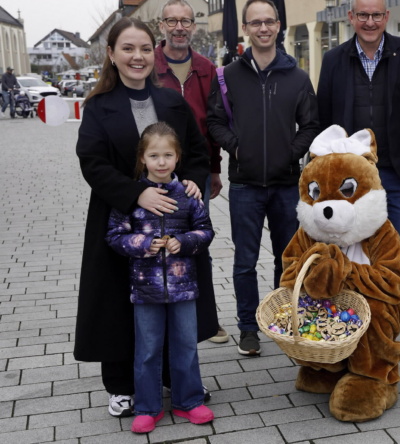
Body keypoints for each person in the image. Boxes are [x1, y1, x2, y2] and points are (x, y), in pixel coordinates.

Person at [74, 17, 218, 419]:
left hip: (172, 220)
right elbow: (93, 162)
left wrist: (190, 180)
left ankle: (179, 379)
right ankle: (121, 386)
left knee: (175, 297)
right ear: (112, 54)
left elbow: (195, 151)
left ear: (152, 54)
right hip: (121, 217)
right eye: (127, 49)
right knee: (119, 302)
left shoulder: (172, 101)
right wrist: (137, 192)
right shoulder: (99, 106)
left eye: (143, 49)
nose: (137, 57)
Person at [316, 0, 400, 355]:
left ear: (387, 17)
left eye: (376, 15)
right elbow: (326, 120)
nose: (370, 22)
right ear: (351, 17)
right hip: (351, 179)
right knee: (352, 251)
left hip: (399, 173)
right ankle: (353, 323)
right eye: (363, 15)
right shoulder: (334, 60)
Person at [206, 0, 319, 356]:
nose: (263, 28)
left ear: (279, 25)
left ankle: (283, 319)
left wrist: (289, 152)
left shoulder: (298, 77)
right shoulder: (228, 75)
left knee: (287, 259)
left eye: (269, 22)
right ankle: (248, 328)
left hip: (287, 183)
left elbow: (311, 125)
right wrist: (237, 148)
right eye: (255, 23)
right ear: (246, 28)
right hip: (245, 184)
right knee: (244, 260)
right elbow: (214, 122)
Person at [106, 122, 215, 433]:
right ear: (142, 159)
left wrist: (186, 241)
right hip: (144, 288)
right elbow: (114, 236)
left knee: (185, 345)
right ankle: (148, 407)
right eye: (154, 155)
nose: (162, 162)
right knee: (148, 348)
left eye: (168, 155)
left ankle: (189, 401)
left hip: (184, 287)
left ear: (178, 158)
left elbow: (206, 230)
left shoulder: (189, 195)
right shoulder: (132, 197)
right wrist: (142, 245)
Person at [155, 0, 228, 344]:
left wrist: (213, 169)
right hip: (155, 168)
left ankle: (205, 321)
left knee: (197, 241)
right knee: (156, 238)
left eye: (186, 21)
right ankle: (159, 313)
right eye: (172, 21)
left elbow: (212, 123)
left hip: (196, 169)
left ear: (194, 27)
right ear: (161, 25)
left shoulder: (206, 68)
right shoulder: (150, 65)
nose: (179, 27)